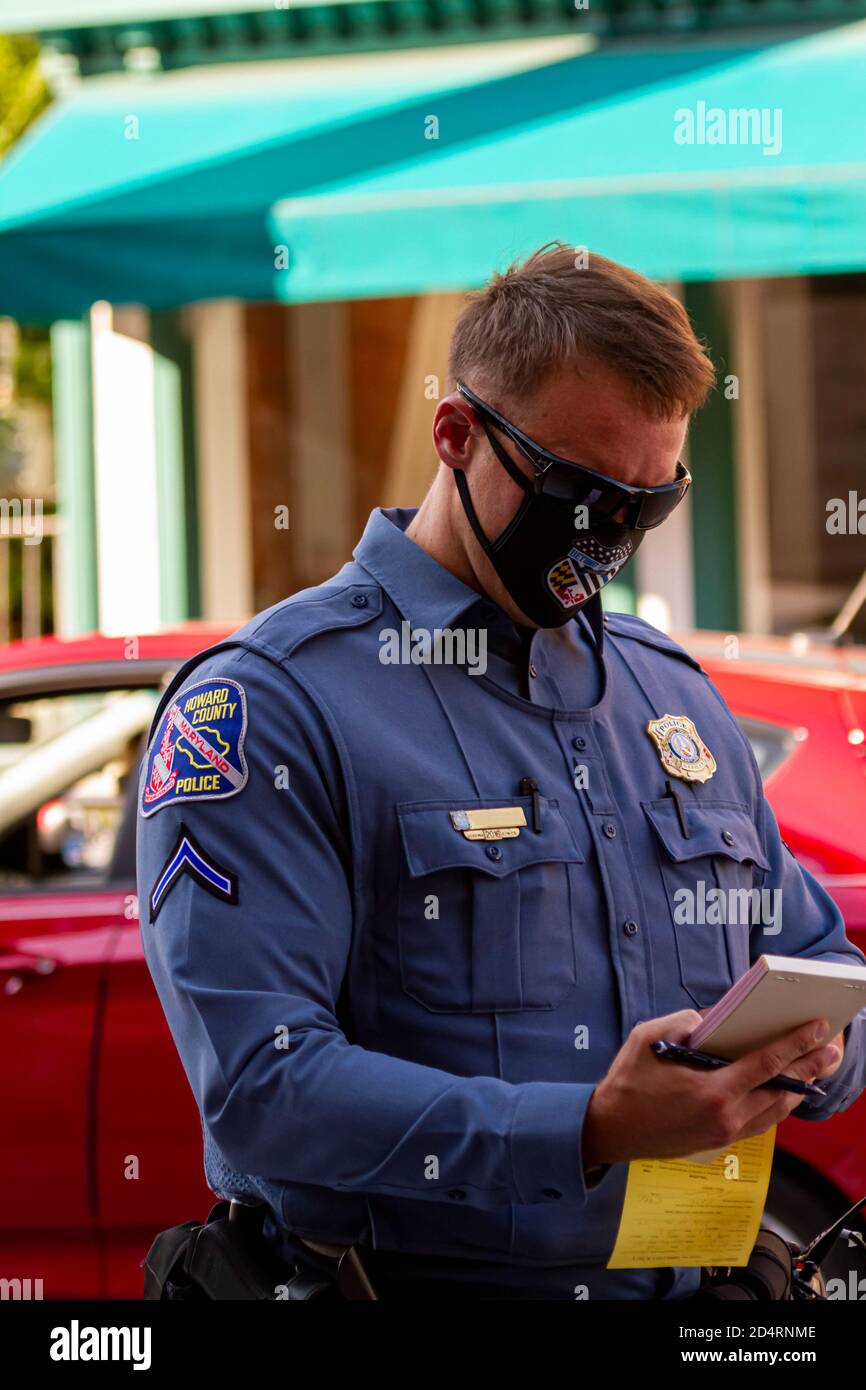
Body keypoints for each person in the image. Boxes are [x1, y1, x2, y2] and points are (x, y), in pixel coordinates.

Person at [137, 244, 865, 1300]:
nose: (608, 538)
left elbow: (813, 967)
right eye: (581, 495)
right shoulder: (272, 705)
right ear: (454, 434)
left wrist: (808, 1054)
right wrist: (586, 1128)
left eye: (646, 506)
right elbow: (264, 1087)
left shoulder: (670, 696)